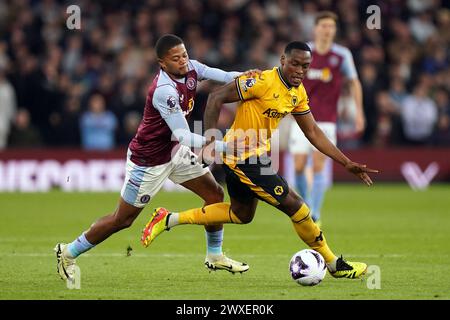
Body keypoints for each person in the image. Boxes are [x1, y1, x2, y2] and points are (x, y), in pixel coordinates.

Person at [141, 41, 378, 279]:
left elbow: (313, 132)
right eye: (295, 64)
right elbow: (215, 97)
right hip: (242, 158)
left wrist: (346, 162)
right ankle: (333, 263)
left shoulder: (297, 93)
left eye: (305, 66)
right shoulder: (262, 81)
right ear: (283, 61)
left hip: (256, 157)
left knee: (241, 214)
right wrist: (211, 141)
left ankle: (169, 219)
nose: (300, 70)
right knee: (296, 206)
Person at [55, 34, 259, 281]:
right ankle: (68, 252)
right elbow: (183, 134)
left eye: (184, 54)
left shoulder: (193, 68)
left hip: (173, 151)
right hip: (149, 161)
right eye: (176, 59)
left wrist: (253, 77)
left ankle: (214, 256)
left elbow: (226, 76)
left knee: (215, 195)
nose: (183, 61)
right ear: (162, 63)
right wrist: (220, 145)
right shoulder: (164, 91)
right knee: (123, 220)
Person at [288, 11, 366, 225]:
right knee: (298, 165)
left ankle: (314, 213)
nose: (327, 30)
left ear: (335, 30)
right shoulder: (304, 52)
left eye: (331, 26)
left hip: (327, 120)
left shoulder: (341, 55)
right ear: (315, 29)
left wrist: (359, 112)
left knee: (319, 165)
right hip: (301, 116)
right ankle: (306, 205)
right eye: (323, 26)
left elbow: (354, 82)